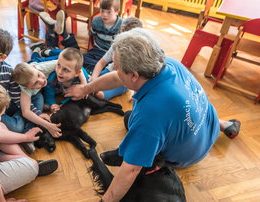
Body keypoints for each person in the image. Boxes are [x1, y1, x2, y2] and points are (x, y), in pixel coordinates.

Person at [64, 28, 241, 201]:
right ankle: (224, 124)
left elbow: (131, 170)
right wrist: (86, 88)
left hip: (189, 154)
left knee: (132, 122)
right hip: (208, 127)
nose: (116, 70)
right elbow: (119, 78)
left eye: (117, 68)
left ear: (134, 75)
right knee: (140, 117)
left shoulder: (150, 114)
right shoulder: (169, 64)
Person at [36, 0, 122, 74]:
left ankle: (56, 41)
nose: (104, 15)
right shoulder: (96, 21)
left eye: (109, 12)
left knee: (77, 59)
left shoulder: (122, 25)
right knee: (77, 59)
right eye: (102, 11)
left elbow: (121, 48)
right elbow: (92, 37)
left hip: (109, 56)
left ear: (117, 11)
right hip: (95, 52)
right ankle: (57, 42)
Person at [90, 16, 143, 100]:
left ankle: (103, 94)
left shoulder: (138, 53)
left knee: (100, 94)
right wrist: (94, 78)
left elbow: (139, 77)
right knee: (91, 83)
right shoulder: (116, 46)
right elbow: (101, 62)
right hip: (109, 71)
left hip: (124, 81)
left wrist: (136, 94)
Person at [43, 48, 89, 114]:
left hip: (77, 68)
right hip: (47, 60)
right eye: (58, 65)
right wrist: (52, 104)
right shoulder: (52, 79)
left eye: (66, 70)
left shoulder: (80, 80)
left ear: (76, 73)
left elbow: (76, 95)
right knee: (42, 59)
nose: (59, 72)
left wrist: (64, 103)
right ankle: (44, 52)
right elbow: (48, 92)